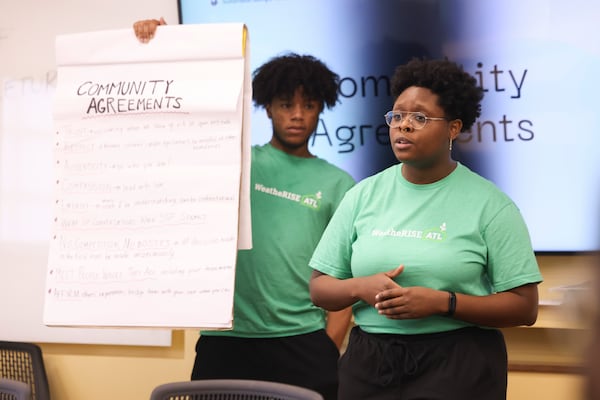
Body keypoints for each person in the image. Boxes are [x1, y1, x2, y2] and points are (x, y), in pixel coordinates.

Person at [133, 19, 355, 399]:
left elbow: (343, 275)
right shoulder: (233, 162)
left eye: (308, 105)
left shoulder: (339, 184)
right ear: (267, 108)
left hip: (303, 341)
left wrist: (328, 345)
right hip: (225, 340)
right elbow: (176, 127)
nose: (298, 115)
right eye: (286, 105)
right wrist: (164, 47)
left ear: (322, 108)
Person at [308, 57, 543, 400]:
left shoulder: (491, 205)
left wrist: (443, 303)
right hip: (370, 363)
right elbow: (319, 289)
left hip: (459, 362)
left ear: (453, 127)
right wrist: (360, 287)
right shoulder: (362, 195)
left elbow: (524, 307)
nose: (404, 126)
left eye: (419, 117)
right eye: (398, 116)